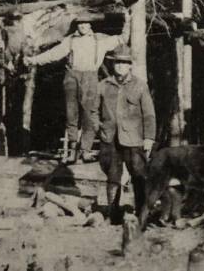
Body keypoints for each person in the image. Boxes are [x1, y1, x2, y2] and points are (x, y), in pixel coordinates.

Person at [23, 15, 129, 163]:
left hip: (90, 76)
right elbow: (54, 54)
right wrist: (33, 60)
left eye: (86, 23)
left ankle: (85, 151)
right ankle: (72, 151)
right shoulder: (70, 40)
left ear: (90, 24)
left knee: (90, 114)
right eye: (80, 23)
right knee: (71, 113)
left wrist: (128, 19)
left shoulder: (100, 40)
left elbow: (123, 38)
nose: (83, 26)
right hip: (72, 76)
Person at [97, 45, 155, 224]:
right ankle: (112, 214)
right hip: (110, 139)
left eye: (124, 63)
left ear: (130, 65)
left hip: (134, 139)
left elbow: (149, 113)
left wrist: (148, 138)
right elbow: (92, 111)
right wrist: (100, 127)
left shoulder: (139, 85)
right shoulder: (103, 85)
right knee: (113, 176)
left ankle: (141, 214)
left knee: (139, 175)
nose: (120, 66)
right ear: (113, 65)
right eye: (117, 63)